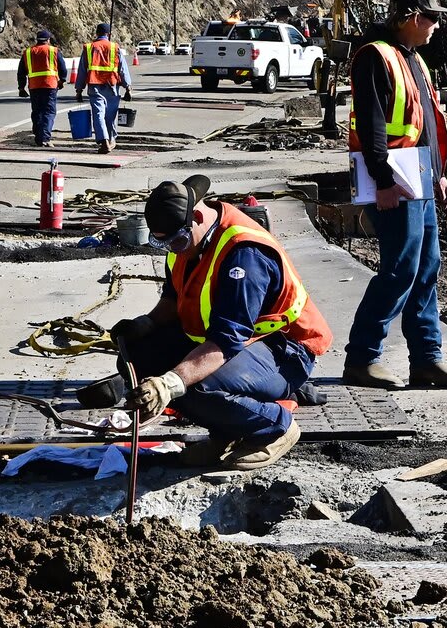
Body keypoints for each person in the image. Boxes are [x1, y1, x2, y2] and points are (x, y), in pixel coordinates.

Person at [79, 179, 321, 467]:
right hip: (236, 344)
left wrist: (170, 383)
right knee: (137, 356)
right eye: (164, 243)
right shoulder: (186, 241)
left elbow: (225, 341)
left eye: (177, 242)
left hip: (284, 351)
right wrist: (144, 325)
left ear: (195, 217)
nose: (174, 249)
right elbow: (173, 299)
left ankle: (274, 428)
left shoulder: (244, 255)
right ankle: (226, 431)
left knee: (195, 387)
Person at [341, 0, 447, 390]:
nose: (436, 27)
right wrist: (383, 181)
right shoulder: (375, 56)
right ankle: (362, 359)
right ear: (413, 17)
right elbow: (371, 123)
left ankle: (427, 359)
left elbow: (423, 121)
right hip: (394, 177)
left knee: (426, 267)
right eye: (432, 19)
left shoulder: (412, 58)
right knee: (400, 270)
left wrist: (438, 174)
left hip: (419, 174)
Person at [75, 21, 131, 154]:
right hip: (112, 86)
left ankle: (104, 140)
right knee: (110, 116)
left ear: (96, 33)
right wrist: (128, 87)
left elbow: (82, 70)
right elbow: (123, 69)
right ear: (108, 34)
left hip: (95, 85)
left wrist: (79, 89)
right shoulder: (114, 47)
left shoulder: (89, 48)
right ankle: (111, 140)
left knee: (99, 114)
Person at [20, 28, 65, 146]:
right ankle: (44, 137)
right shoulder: (54, 51)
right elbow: (62, 68)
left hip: (34, 86)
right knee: (48, 112)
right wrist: (62, 80)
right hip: (50, 85)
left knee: (37, 111)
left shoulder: (28, 52)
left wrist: (21, 87)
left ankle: (38, 135)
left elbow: (21, 72)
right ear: (48, 40)